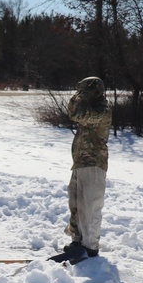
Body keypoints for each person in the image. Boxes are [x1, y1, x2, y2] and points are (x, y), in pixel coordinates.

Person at [52, 76, 112, 262]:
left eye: (83, 91)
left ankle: (90, 246)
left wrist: (79, 97)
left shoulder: (102, 110)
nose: (80, 94)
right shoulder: (91, 106)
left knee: (90, 206)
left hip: (94, 164)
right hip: (80, 163)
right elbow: (75, 112)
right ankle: (78, 240)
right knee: (76, 204)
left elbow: (77, 114)